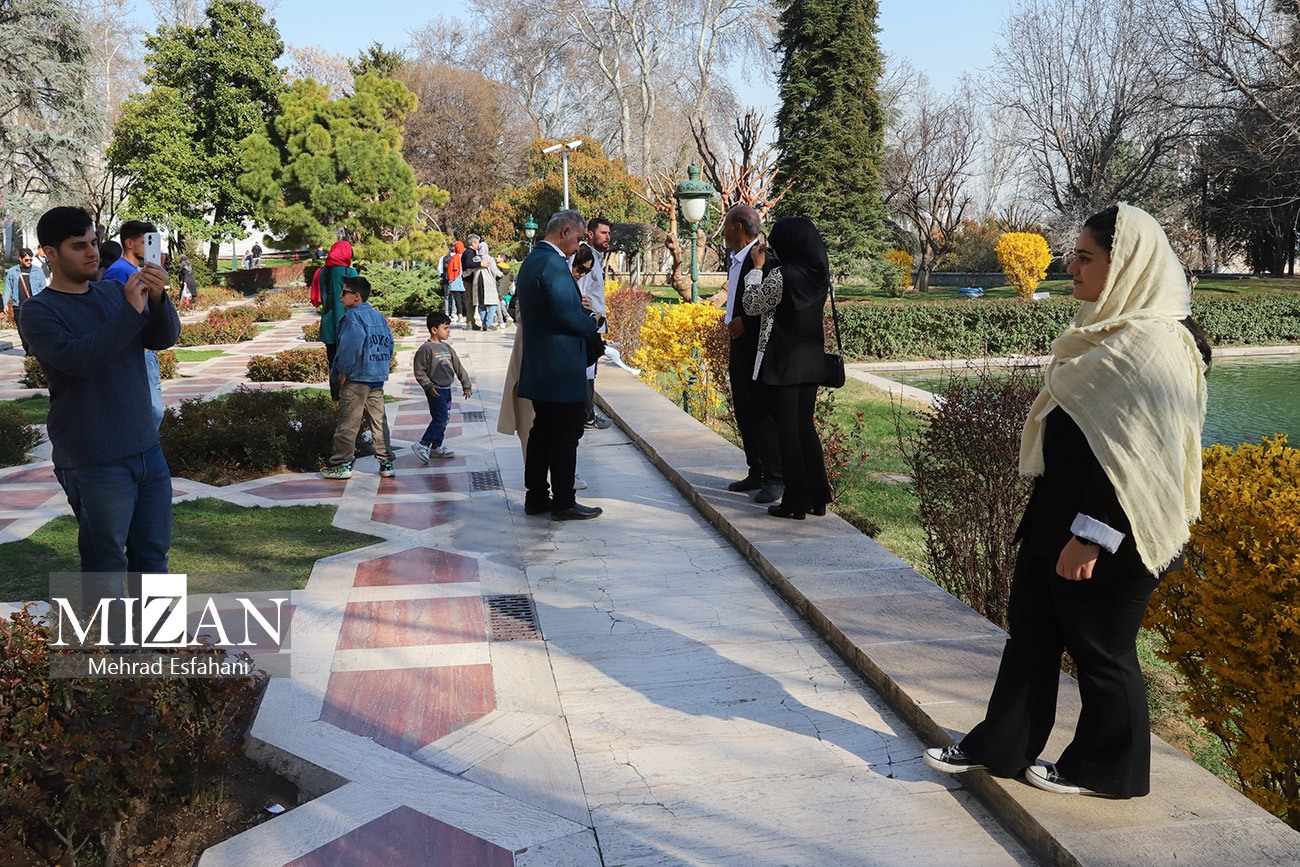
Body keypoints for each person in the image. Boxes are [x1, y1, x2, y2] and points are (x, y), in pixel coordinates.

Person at [922, 204, 1210, 799]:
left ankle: (1106, 771)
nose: (1071, 268)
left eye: (1084, 257)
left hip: (1112, 532)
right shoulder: (1103, 331)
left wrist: (1090, 536)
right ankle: (1000, 747)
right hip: (1056, 517)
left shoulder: (1154, 346)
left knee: (1101, 651)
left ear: (1124, 265)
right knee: (1030, 636)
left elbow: (1139, 458)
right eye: (1072, 256)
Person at [22, 206, 180, 614]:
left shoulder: (112, 292)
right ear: (50, 253)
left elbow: (162, 338)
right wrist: (130, 311)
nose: (92, 252)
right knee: (105, 564)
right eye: (79, 246)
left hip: (146, 450)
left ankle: (157, 641)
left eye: (93, 242)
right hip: (93, 458)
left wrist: (158, 299)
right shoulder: (40, 311)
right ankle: (112, 646)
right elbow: (80, 360)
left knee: (153, 555)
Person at [742, 216, 832, 520]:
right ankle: (817, 498)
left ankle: (795, 502)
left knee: (788, 434)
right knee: (805, 430)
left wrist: (756, 269)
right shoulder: (819, 275)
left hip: (783, 364)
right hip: (811, 363)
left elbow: (752, 305)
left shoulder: (782, 276)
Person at [516, 210, 604, 521]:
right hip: (560, 367)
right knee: (566, 434)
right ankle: (564, 501)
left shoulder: (532, 259)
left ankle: (537, 497)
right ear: (565, 231)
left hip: (542, 364)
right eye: (578, 238)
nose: (578, 245)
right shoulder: (552, 262)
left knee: (542, 432)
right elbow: (566, 314)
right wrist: (592, 321)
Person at [722, 205, 782, 504]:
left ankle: (775, 477)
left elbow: (774, 303)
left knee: (761, 412)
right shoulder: (735, 259)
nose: (722, 231)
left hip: (758, 348)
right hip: (739, 346)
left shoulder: (764, 260)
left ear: (738, 228)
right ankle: (755, 471)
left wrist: (747, 322)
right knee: (744, 409)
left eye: (726, 225)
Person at [321, 276, 396, 479]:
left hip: (356, 379)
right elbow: (389, 344)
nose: (340, 296)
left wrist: (342, 372)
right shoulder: (378, 316)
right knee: (379, 422)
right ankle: (386, 463)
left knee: (348, 422)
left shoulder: (352, 317)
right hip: (375, 378)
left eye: (344, 292)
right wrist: (380, 366)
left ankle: (341, 464)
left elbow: (349, 347)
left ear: (356, 296)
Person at [412, 311, 473, 463]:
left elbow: (458, 367)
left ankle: (436, 447)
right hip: (435, 390)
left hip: (447, 390)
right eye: (445, 328)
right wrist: (428, 385)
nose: (448, 331)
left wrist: (466, 385)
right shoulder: (426, 349)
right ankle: (423, 444)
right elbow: (419, 370)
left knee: (444, 419)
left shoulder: (447, 348)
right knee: (441, 418)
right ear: (434, 330)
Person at [574, 216, 613, 430]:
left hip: (593, 323)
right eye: (603, 233)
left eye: (609, 233)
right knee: (587, 371)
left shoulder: (595, 257)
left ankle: (586, 414)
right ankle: (586, 416)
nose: (608, 237)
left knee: (590, 370)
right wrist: (588, 314)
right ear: (591, 234)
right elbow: (580, 288)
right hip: (588, 323)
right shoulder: (586, 255)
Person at [313, 239, 358, 404]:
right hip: (348, 326)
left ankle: (336, 401)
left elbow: (317, 298)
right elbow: (359, 299)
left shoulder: (321, 273)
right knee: (351, 365)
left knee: (333, 365)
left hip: (329, 327)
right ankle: (350, 401)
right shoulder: (350, 272)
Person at [4, 247, 48, 352]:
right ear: (20, 259)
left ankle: (33, 351)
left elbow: (43, 288)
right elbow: (8, 288)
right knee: (21, 330)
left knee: (34, 328)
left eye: (30, 260)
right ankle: (28, 350)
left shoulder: (38, 271)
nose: (29, 262)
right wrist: (5, 304)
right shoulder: (12, 271)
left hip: (34, 305)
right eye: (26, 260)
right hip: (19, 305)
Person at [102, 220, 155, 285]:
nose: (149, 248)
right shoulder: (118, 271)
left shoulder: (131, 269)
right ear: (129, 243)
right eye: (145, 243)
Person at [447, 241, 466, 325]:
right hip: (463, 281)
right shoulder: (465, 256)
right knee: (465, 299)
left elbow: (450, 270)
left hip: (455, 281)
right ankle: (469, 315)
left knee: (457, 300)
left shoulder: (454, 257)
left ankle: (460, 316)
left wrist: (450, 279)